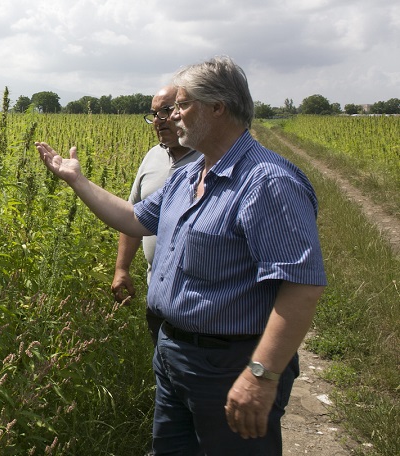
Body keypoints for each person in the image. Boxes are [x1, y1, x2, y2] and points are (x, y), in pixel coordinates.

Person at [35, 56, 326, 455]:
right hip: (174, 356)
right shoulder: (191, 175)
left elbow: (301, 288)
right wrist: (77, 181)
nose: (171, 116)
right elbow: (134, 219)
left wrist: (261, 375)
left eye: (181, 105)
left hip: (229, 362)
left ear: (217, 108)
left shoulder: (268, 182)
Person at [111, 85, 202, 345]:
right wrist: (122, 268)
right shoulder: (153, 156)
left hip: (199, 305)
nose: (159, 121)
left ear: (186, 110)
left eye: (166, 110)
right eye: (154, 114)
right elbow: (133, 215)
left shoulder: (209, 159)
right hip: (158, 294)